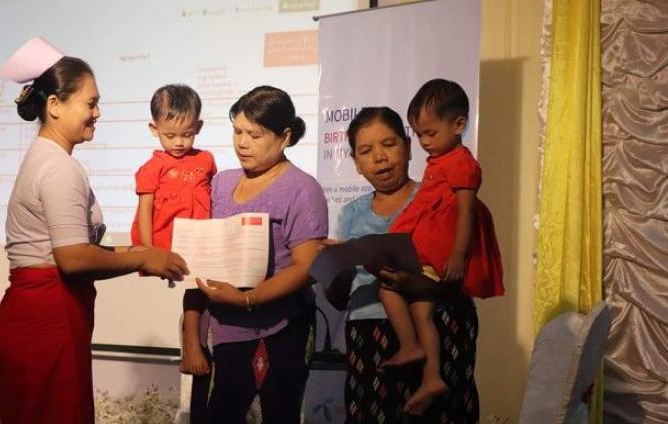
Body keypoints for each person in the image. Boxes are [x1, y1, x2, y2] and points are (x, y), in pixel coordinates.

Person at [0, 37, 188, 424]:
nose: (97, 113)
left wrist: (137, 254)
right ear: (54, 106)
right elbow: (73, 257)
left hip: (39, 312)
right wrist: (144, 256)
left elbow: (70, 250)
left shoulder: (44, 157)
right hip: (49, 316)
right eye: (90, 103)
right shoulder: (59, 167)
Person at [324, 106, 480, 422]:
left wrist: (419, 286)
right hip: (368, 333)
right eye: (365, 151)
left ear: (408, 148)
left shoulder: (440, 200)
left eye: (389, 144)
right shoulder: (350, 214)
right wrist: (334, 266)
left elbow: (467, 274)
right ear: (355, 163)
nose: (379, 157)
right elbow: (339, 298)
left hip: (438, 326)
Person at [194, 86, 328, 423]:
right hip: (220, 333)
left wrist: (247, 299)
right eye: (237, 131)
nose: (242, 143)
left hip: (277, 333)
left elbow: (307, 266)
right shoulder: (221, 183)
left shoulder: (301, 188)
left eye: (254, 134)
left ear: (284, 137)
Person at [382, 79, 503, 412]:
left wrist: (458, 255)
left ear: (459, 124)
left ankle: (417, 354)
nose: (423, 142)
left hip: (441, 257)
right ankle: (427, 369)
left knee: (404, 295)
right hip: (428, 253)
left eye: (430, 134)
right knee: (413, 303)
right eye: (418, 135)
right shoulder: (438, 162)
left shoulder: (462, 163)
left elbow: (466, 212)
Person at [129, 84, 216, 423]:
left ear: (198, 128)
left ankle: (202, 344)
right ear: (155, 130)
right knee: (193, 289)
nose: (179, 142)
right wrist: (150, 250)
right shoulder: (153, 166)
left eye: (186, 134)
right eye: (170, 135)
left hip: (203, 237)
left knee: (205, 286)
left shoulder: (206, 160)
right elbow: (146, 208)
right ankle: (192, 343)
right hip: (170, 239)